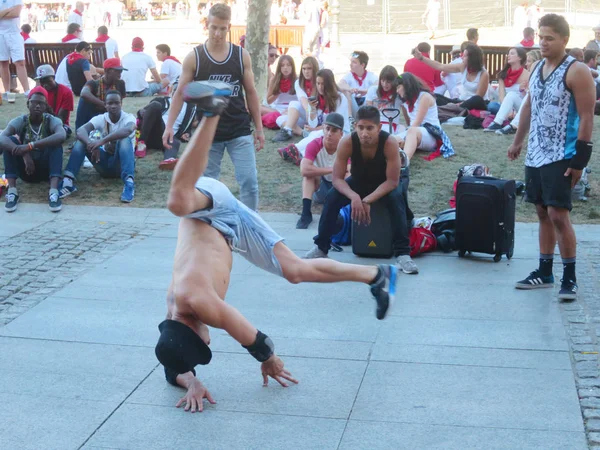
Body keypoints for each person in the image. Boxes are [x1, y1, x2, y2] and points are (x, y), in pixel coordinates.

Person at [155, 83, 398, 412]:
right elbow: (172, 365)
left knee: (177, 201)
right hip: (230, 228)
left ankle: (212, 111)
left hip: (210, 209)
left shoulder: (200, 305)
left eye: (203, 345)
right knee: (296, 271)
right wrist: (192, 380)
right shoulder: (173, 319)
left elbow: (254, 338)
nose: (208, 343)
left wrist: (269, 361)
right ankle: (376, 276)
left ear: (196, 332)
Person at [507, 14, 595, 301]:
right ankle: (545, 272)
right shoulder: (536, 69)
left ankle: (569, 277)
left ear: (564, 40)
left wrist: (580, 160)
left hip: (563, 153)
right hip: (537, 152)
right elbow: (529, 107)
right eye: (541, 37)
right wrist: (518, 141)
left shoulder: (577, 70)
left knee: (559, 213)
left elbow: (586, 117)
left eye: (549, 38)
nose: (543, 42)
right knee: (542, 211)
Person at [162, 3, 265, 211]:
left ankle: (251, 229)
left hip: (239, 129)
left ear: (229, 27)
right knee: (207, 186)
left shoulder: (240, 55)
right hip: (208, 133)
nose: (217, 33)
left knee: (249, 184)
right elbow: (180, 93)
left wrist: (260, 128)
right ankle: (209, 230)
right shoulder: (195, 57)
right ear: (206, 25)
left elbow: (251, 93)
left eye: (222, 28)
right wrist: (169, 125)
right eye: (213, 27)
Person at [304, 105, 418, 275]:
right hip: (358, 182)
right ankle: (321, 247)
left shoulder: (389, 143)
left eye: (370, 128)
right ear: (355, 126)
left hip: (383, 184)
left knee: (396, 198)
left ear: (379, 128)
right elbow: (337, 179)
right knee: (332, 196)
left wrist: (367, 199)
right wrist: (354, 197)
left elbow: (393, 181)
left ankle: (403, 254)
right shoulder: (347, 142)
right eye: (361, 127)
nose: (365, 133)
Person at [61, 90, 136, 203]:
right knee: (81, 142)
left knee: (124, 140)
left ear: (121, 104)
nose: (113, 106)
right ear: (105, 105)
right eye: (110, 103)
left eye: (117, 103)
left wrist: (101, 141)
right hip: (104, 164)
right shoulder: (101, 118)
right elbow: (81, 130)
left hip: (121, 165)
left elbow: (127, 130)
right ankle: (68, 182)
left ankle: (129, 184)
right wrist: (90, 144)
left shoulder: (129, 118)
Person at [1, 87, 65, 213]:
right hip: (26, 170)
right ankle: (12, 192)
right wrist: (23, 152)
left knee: (56, 144)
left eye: (41, 103)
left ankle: (53, 192)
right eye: (34, 102)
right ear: (27, 104)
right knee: (9, 142)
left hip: (46, 169)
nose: (37, 106)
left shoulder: (51, 120)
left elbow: (61, 135)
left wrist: (30, 146)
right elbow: (2, 137)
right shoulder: (21, 120)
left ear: (46, 106)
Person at [296, 112, 346, 229]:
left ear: (341, 134)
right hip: (321, 188)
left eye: (334, 130)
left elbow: (348, 173)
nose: (329, 133)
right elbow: (304, 169)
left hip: (338, 188)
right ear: (323, 129)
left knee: (347, 179)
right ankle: (306, 213)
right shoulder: (315, 144)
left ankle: (338, 210)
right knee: (309, 175)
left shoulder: (345, 147)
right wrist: (330, 170)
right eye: (327, 129)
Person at [136, 82, 198, 170]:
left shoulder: (191, 107)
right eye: (176, 90)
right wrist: (142, 112)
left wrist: (186, 133)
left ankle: (169, 160)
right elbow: (143, 113)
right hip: (152, 130)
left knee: (174, 141)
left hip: (167, 138)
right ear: (172, 91)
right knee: (155, 105)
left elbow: (187, 125)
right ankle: (141, 143)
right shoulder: (161, 100)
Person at [395, 72, 453, 161]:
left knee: (412, 131)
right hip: (416, 132)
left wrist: (405, 138)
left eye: (398, 87)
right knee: (392, 139)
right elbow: (409, 123)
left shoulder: (424, 97)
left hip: (431, 133)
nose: (397, 91)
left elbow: (417, 123)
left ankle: (404, 161)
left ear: (406, 85)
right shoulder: (406, 101)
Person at [414, 43, 490, 111]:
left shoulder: (483, 74)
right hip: (461, 101)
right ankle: (454, 108)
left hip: (476, 104)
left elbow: (478, 97)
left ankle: (453, 108)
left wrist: (459, 104)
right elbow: (440, 66)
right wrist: (422, 58)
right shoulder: (463, 67)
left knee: (476, 99)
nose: (462, 57)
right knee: (435, 97)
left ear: (472, 58)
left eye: (464, 55)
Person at [272, 55, 319, 141]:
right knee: (280, 119)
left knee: (293, 104)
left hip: (319, 113)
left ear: (315, 69)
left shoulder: (319, 81)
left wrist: (311, 115)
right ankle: (302, 133)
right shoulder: (299, 82)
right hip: (307, 112)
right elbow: (303, 100)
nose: (306, 71)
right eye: (304, 69)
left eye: (309, 68)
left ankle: (288, 129)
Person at [495, 49, 542, 135]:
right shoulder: (504, 74)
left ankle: (513, 126)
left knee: (492, 106)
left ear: (536, 63)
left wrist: (525, 91)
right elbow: (523, 99)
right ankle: (497, 123)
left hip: (536, 112)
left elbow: (534, 99)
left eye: (529, 61)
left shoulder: (535, 77)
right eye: (527, 61)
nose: (526, 64)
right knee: (510, 95)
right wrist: (522, 90)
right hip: (515, 108)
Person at [484, 47, 529, 133]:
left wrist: (515, 112)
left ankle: (506, 121)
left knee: (511, 94)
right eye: (508, 53)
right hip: (506, 106)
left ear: (520, 57)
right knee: (492, 105)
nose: (508, 55)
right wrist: (509, 111)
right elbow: (501, 96)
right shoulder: (503, 74)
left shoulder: (527, 75)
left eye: (512, 53)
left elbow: (528, 98)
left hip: (522, 108)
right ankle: (497, 123)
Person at [75, 57, 126, 130]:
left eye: (121, 71)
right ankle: (81, 128)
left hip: (109, 114)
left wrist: (109, 107)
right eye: (117, 71)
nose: (120, 74)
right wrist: (104, 104)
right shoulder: (94, 83)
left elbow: (119, 104)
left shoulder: (120, 83)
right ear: (107, 71)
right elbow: (84, 93)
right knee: (83, 100)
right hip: (93, 115)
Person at [0, 0, 30, 95]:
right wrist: (9, 10)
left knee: (20, 62)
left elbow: (16, 13)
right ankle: (7, 91)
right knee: (3, 62)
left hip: (14, 34)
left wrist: (2, 13)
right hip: (1, 34)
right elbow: (13, 12)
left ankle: (27, 91)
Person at [35, 65, 74, 136]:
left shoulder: (66, 92)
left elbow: (61, 120)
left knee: (60, 132)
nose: (44, 84)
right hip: (41, 123)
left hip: (61, 125)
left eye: (47, 80)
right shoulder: (37, 92)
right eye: (41, 81)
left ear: (54, 77)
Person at [338, 51, 379, 118]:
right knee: (345, 91)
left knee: (373, 92)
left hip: (366, 105)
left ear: (362, 65)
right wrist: (350, 89)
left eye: (354, 62)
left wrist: (365, 91)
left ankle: (370, 119)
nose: (350, 64)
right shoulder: (349, 76)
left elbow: (378, 85)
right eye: (351, 62)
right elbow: (339, 84)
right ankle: (350, 118)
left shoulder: (370, 76)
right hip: (353, 105)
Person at [365, 65, 403, 133]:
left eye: (388, 82)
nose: (385, 84)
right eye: (382, 80)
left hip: (391, 124)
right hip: (375, 124)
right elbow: (369, 112)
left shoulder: (398, 93)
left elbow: (407, 110)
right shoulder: (372, 90)